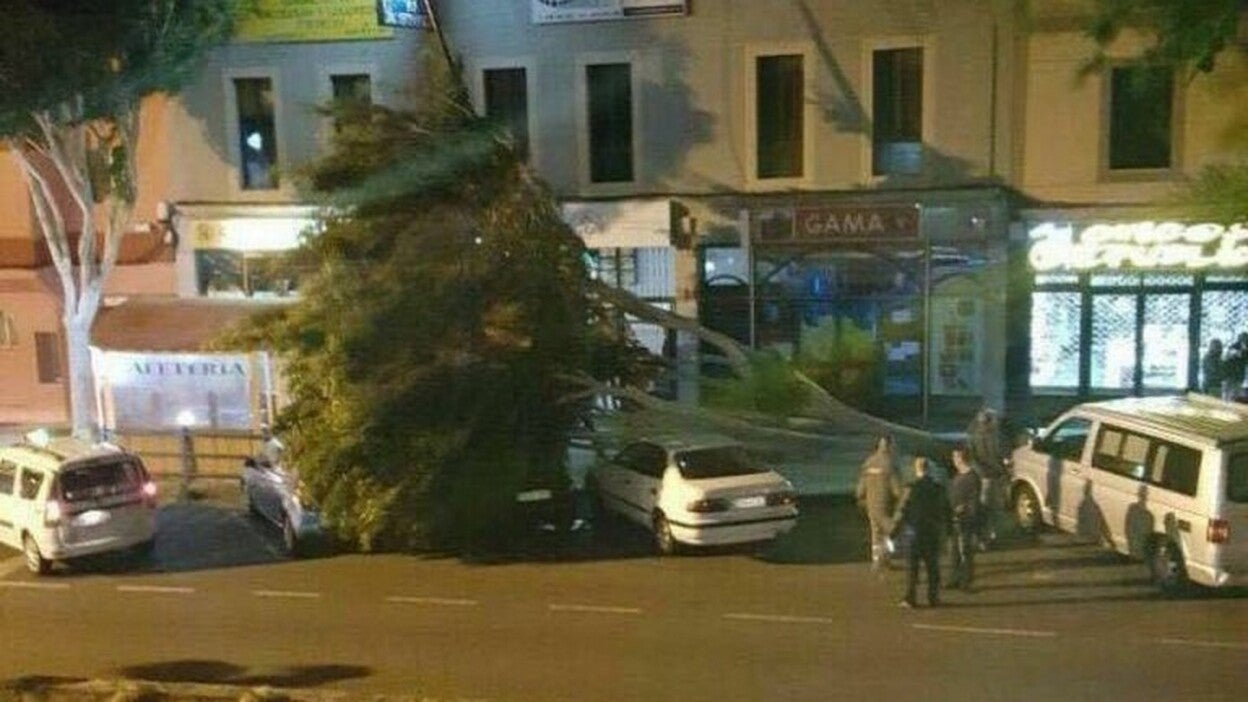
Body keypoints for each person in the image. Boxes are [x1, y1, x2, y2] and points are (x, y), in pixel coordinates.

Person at [892, 456, 952, 608]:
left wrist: (893, 533)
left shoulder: (911, 489)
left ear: (917, 469)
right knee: (932, 567)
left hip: (914, 532)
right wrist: (950, 531)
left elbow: (903, 512)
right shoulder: (938, 488)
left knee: (913, 568)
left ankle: (910, 598)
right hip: (932, 532)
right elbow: (946, 510)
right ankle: (933, 597)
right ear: (929, 469)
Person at [855, 435, 902, 571]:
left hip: (871, 505)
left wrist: (861, 498)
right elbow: (897, 490)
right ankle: (886, 558)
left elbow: (860, 489)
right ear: (890, 446)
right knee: (891, 532)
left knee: (875, 533)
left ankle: (876, 560)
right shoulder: (890, 464)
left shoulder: (868, 462)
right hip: (886, 504)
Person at [966, 407, 1008, 547]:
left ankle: (985, 536)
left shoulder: (973, 436)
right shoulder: (994, 436)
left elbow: (972, 458)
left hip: (986, 475)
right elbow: (1000, 454)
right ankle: (988, 536)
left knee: (985, 507)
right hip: (991, 476)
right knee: (991, 507)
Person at [947, 447, 982, 591]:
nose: (954, 460)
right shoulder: (958, 475)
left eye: (956, 457)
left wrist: (965, 509)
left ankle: (966, 581)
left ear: (962, 458)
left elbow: (974, 500)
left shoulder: (972, 477)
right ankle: (955, 578)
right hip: (954, 518)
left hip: (965, 519)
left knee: (965, 550)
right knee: (954, 550)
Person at [1223, 333, 1248, 401]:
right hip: (1230, 376)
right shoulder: (1233, 347)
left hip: (1239, 377)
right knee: (1228, 395)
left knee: (1236, 395)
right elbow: (1237, 355)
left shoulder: (1244, 348)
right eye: (1244, 338)